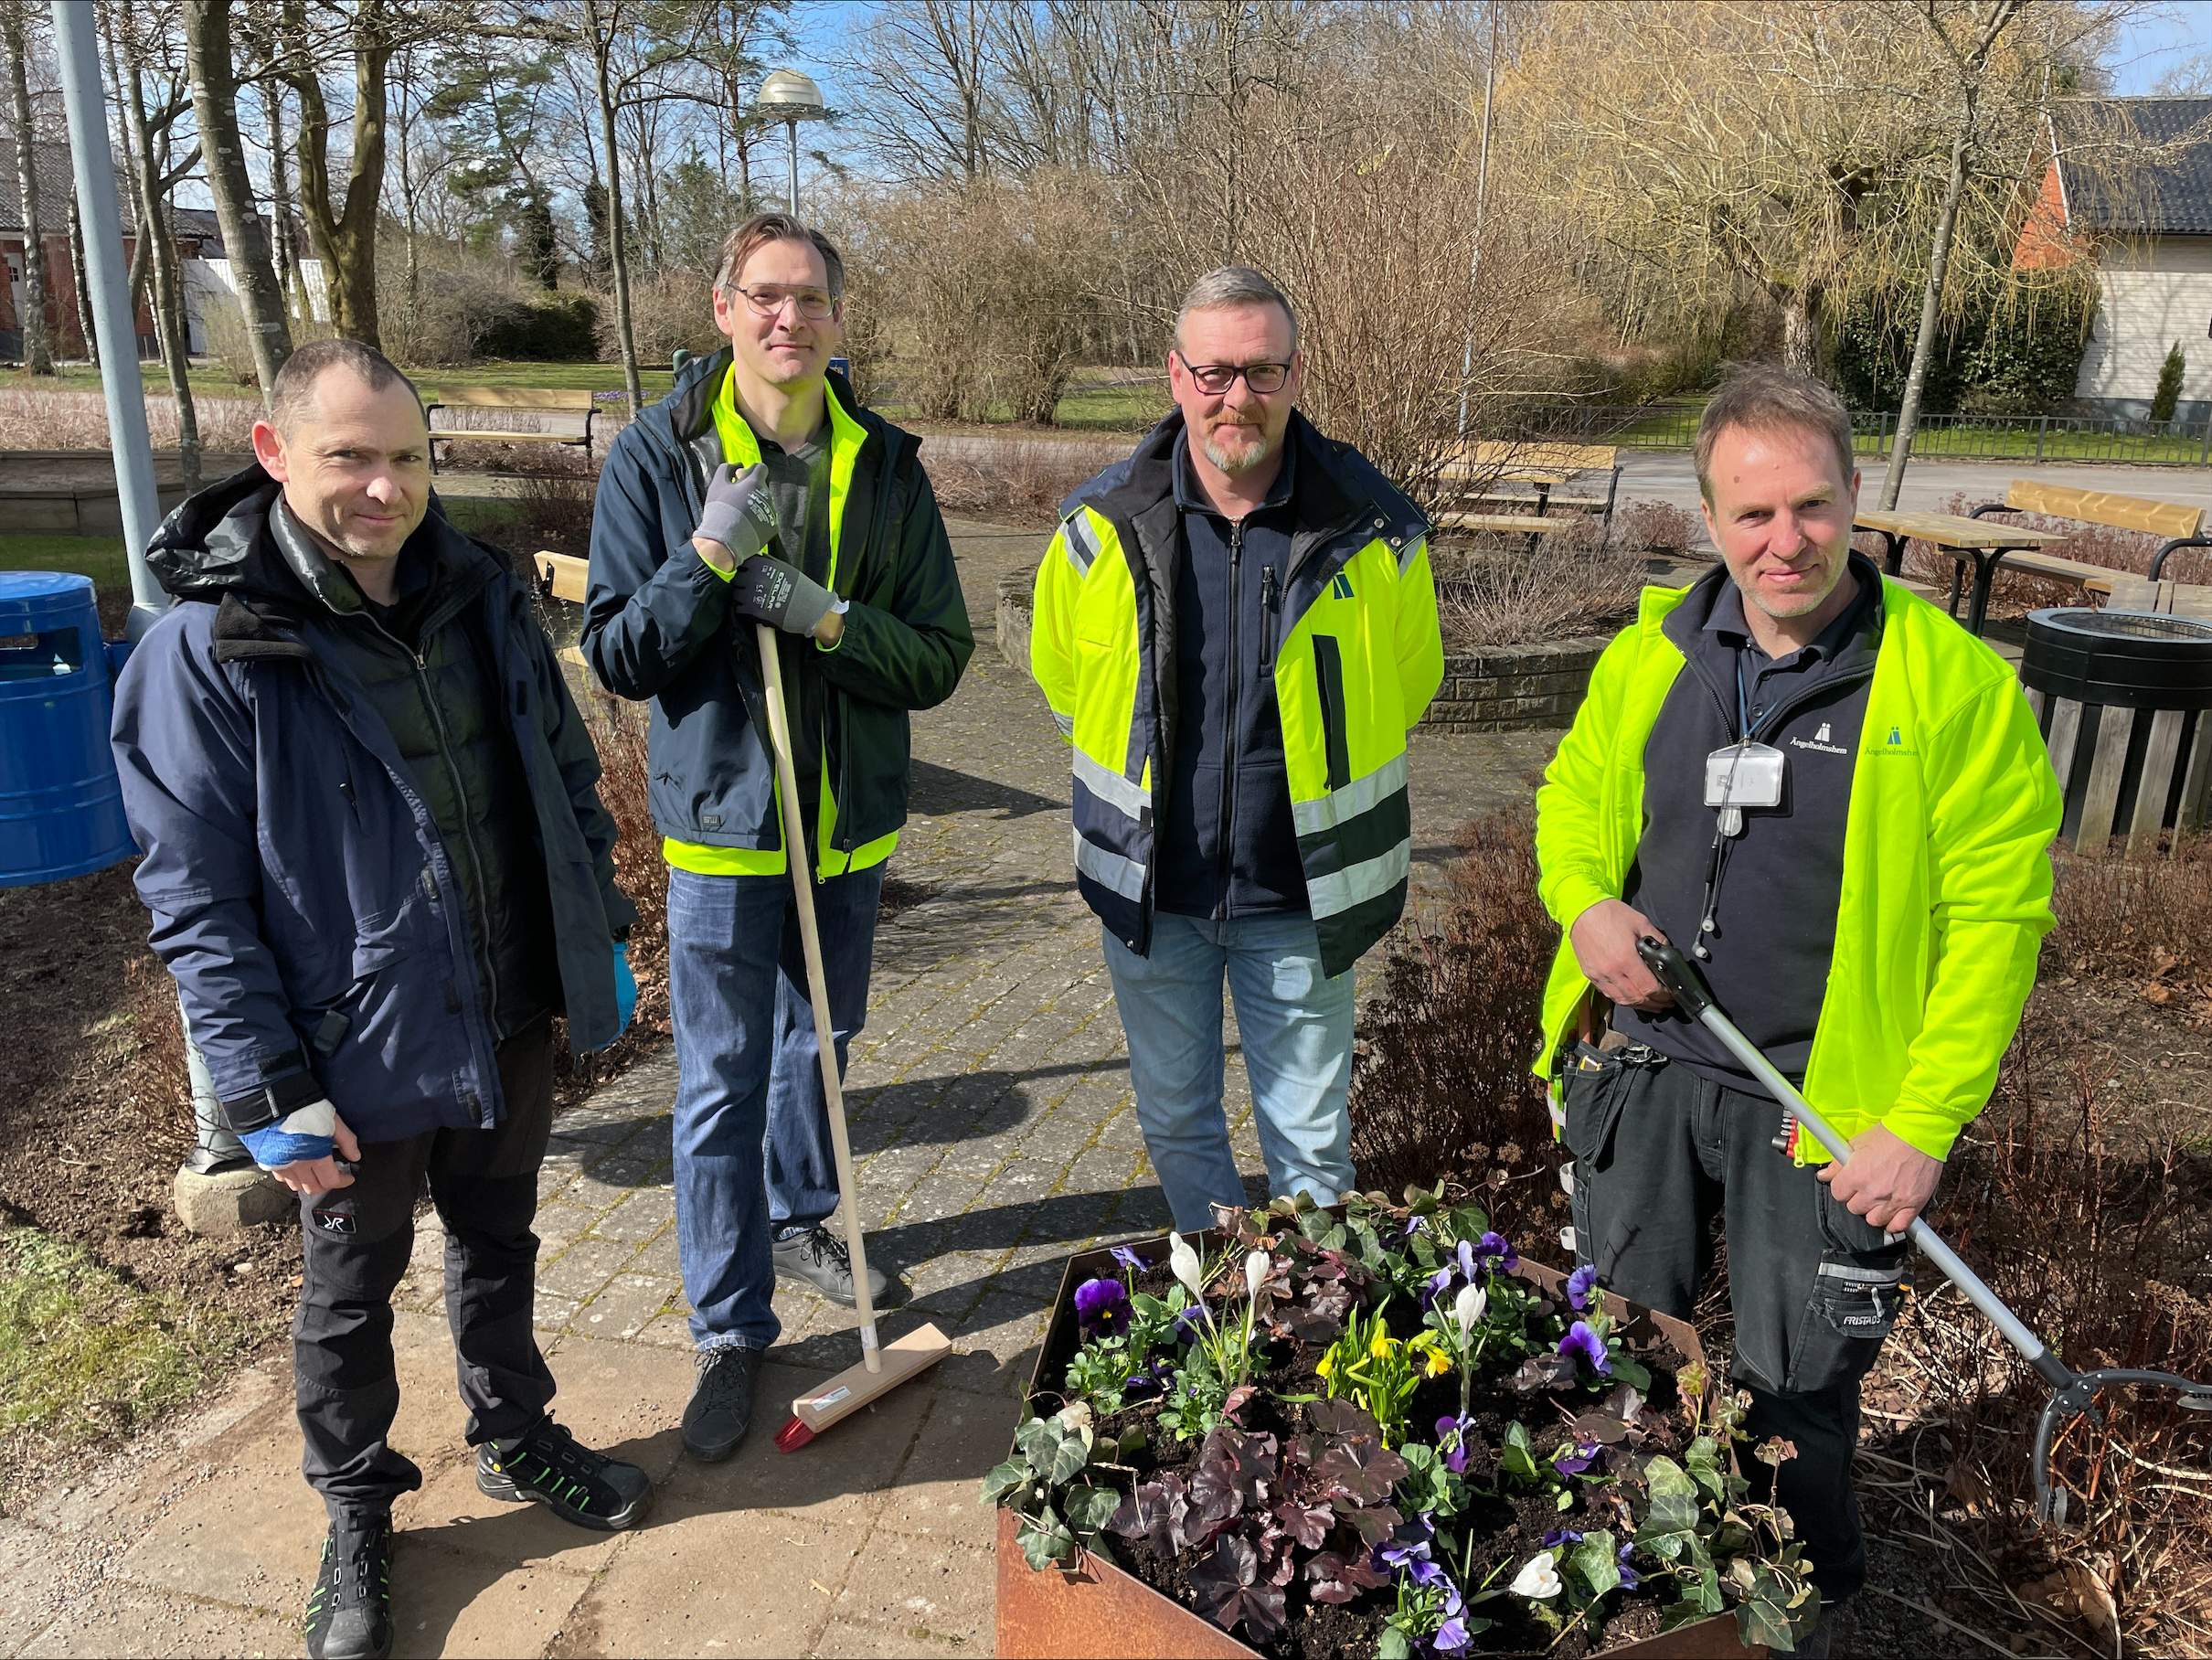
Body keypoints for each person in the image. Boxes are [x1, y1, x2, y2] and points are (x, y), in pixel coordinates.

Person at [111, 338, 651, 1660]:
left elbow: (565, 781)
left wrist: (603, 937)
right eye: (351, 455)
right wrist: (264, 1088)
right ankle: (357, 1513)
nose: (384, 488)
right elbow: (195, 898)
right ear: (274, 450)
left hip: (510, 1003)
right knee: (350, 1298)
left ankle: (517, 1435)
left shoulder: (480, 596)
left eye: (406, 457)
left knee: (501, 1244)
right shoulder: (210, 650)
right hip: (348, 1053)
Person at [1535, 367, 2061, 1646]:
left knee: (1797, 1402)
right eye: (1753, 514)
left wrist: (1919, 1121)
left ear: (1857, 495)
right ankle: (1629, 1592)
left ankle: (1804, 1616)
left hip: (1820, 1111)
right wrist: (1584, 907)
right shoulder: (1649, 655)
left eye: (1812, 508)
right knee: (1616, 1360)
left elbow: (1997, 929)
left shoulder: (1950, 687)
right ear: (1708, 516)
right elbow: (1567, 806)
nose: (1786, 542)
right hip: (1643, 1078)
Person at [582, 213, 971, 1463]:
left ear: (836, 319)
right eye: (763, 296)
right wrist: (706, 557)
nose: (785, 319)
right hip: (721, 836)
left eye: (807, 299)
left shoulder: (888, 469)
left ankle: (807, 1218)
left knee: (827, 1042)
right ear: (723, 308)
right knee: (718, 1083)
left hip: (846, 832)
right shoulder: (657, 456)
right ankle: (728, 1329)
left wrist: (824, 617)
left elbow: (941, 659)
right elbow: (621, 653)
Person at [1030, 266, 1443, 1232]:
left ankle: (1303, 1337)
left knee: (1309, 1143)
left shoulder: (1372, 530)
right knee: (1176, 1120)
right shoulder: (1096, 527)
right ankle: (1222, 1311)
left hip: (1301, 896)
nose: (1235, 397)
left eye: (1260, 371)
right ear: (1174, 377)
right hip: (1153, 893)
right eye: (1214, 372)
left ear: (1295, 374)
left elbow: (1408, 682)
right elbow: (1063, 680)